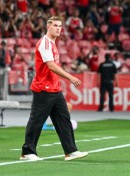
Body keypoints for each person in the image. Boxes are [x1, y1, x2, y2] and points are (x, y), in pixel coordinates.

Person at [20, 16, 88, 161]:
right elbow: (50, 65)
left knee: (64, 119)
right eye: (55, 25)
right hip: (43, 88)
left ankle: (70, 151)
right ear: (48, 27)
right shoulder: (45, 43)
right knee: (37, 120)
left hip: (54, 89)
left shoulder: (52, 43)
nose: (58, 28)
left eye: (60, 26)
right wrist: (70, 77)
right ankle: (27, 151)